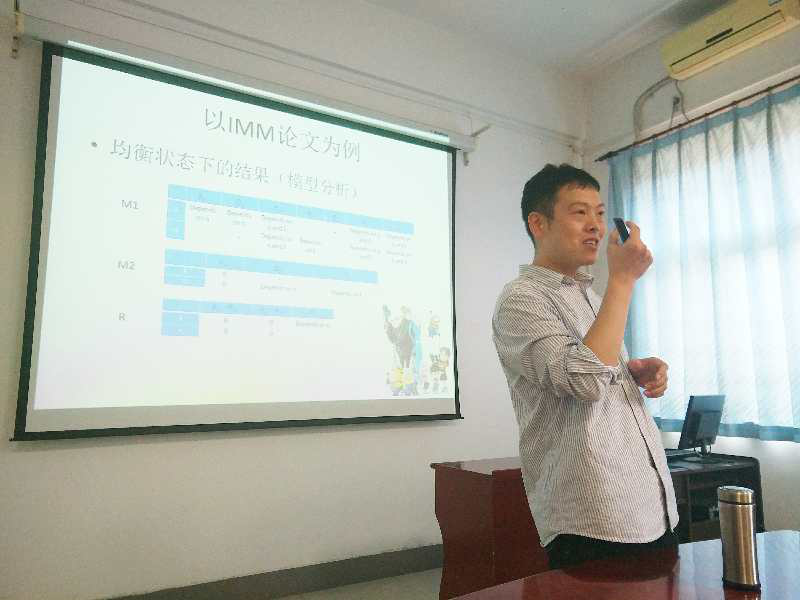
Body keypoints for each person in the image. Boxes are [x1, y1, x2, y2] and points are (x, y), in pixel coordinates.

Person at [492, 163, 679, 570]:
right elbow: (585, 382)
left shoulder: (590, 297)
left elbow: (597, 369)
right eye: (580, 212)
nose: (595, 225)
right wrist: (623, 280)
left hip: (651, 503)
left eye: (599, 212)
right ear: (538, 224)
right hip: (594, 513)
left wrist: (632, 373)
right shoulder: (521, 300)